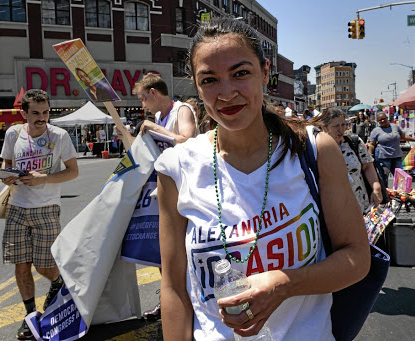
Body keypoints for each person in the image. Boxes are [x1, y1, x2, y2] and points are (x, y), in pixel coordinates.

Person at [155, 17, 369, 340]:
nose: (226, 93)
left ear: (265, 72)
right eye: (210, 80)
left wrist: (286, 284)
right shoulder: (176, 168)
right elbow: (173, 289)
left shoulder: (314, 150)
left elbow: (357, 257)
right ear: (196, 87)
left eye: (240, 73)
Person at [0, 89, 78, 340]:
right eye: (35, 113)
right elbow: (4, 165)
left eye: (45, 112)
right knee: (21, 265)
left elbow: (73, 172)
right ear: (24, 113)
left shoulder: (60, 135)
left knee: (44, 266)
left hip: (46, 208)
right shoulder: (13, 134)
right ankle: (30, 316)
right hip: (17, 207)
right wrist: (7, 177)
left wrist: (45, 178)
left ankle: (58, 281)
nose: (42, 118)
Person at [118, 73, 198, 321]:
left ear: (154, 93)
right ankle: (170, 303)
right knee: (165, 253)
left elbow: (188, 140)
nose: (143, 105)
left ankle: (189, 304)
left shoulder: (181, 110)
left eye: (143, 99)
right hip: (163, 191)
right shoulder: (159, 117)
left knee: (183, 252)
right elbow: (145, 153)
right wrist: (125, 136)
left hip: (186, 190)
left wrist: (155, 128)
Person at [320, 108, 383, 212]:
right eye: (336, 126)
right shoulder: (318, 149)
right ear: (324, 127)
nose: (341, 129)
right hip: (336, 210)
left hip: (361, 204)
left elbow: (368, 165)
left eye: (343, 125)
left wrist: (376, 187)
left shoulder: (354, 142)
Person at [369, 112, 415, 186]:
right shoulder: (376, 131)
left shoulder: (395, 127)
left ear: (387, 118)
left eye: (384, 118)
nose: (382, 121)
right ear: (378, 121)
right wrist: (370, 155)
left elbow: (403, 136)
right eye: (380, 120)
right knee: (383, 178)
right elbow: (372, 144)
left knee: (400, 177)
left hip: (396, 156)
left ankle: (400, 194)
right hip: (383, 157)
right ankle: (385, 195)